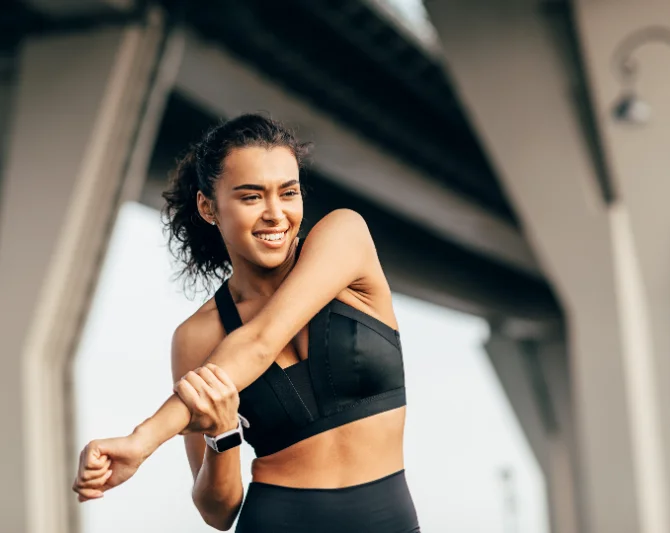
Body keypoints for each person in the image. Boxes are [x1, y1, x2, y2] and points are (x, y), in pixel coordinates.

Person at [72, 114, 419, 532]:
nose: (275, 213)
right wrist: (222, 433)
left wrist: (141, 441)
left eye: (288, 192)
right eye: (252, 197)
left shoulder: (346, 237)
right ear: (208, 207)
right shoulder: (198, 335)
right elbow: (218, 513)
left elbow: (261, 340)